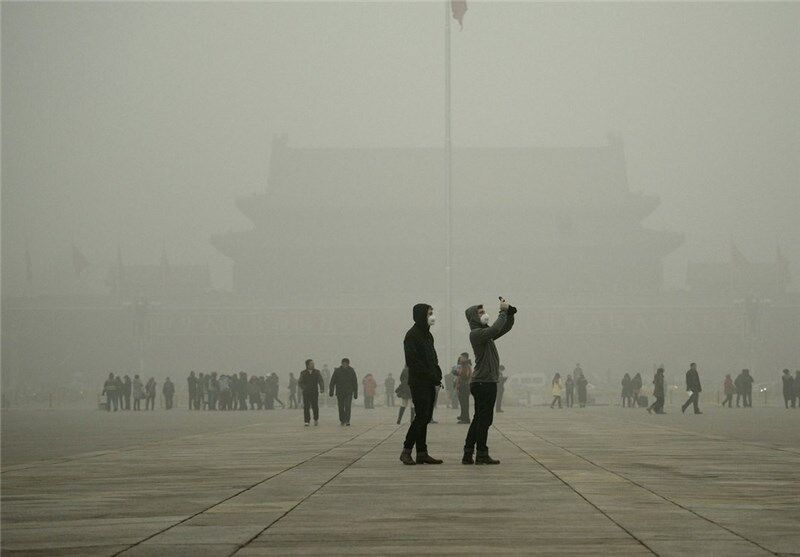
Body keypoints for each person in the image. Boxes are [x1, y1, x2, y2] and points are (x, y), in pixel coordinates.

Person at [463, 299, 516, 465]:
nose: (484, 314)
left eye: (483, 311)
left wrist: (510, 314)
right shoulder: (477, 334)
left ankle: (468, 453)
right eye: (480, 312)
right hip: (483, 383)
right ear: (473, 317)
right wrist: (502, 312)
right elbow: (496, 328)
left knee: (480, 419)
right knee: (484, 420)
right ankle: (481, 454)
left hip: (486, 382)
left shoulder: (486, 334)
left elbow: (503, 328)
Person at [400, 303, 443, 465]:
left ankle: (422, 452)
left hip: (430, 381)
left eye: (432, 312)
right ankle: (406, 450)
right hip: (419, 382)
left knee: (425, 417)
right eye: (429, 313)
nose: (432, 316)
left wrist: (436, 374)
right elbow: (412, 361)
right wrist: (429, 374)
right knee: (421, 417)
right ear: (420, 316)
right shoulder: (412, 335)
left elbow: (433, 357)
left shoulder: (428, 335)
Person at [330, 358, 358, 425]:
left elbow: (354, 382)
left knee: (348, 406)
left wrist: (355, 392)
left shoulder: (351, 371)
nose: (345, 365)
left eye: (346, 364)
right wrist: (331, 390)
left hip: (349, 392)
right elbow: (332, 381)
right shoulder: (337, 371)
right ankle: (342, 420)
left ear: (348, 364)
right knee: (341, 407)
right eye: (343, 363)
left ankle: (347, 420)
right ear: (341, 364)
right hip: (340, 392)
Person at [299, 359, 324, 426]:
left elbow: (320, 381)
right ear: (307, 365)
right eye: (311, 364)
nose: (313, 365)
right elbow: (300, 382)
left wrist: (322, 388)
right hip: (306, 392)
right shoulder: (303, 373)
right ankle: (307, 421)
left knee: (315, 406)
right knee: (306, 406)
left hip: (314, 391)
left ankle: (316, 419)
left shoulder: (317, 372)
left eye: (313, 363)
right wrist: (304, 388)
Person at [455, 353, 472, 424]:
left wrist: (457, 373)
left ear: (465, 358)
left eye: (461, 357)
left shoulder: (465, 366)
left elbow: (465, 375)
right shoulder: (464, 365)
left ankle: (466, 418)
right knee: (463, 402)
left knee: (464, 403)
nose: (460, 358)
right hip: (463, 385)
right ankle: (463, 416)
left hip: (464, 386)